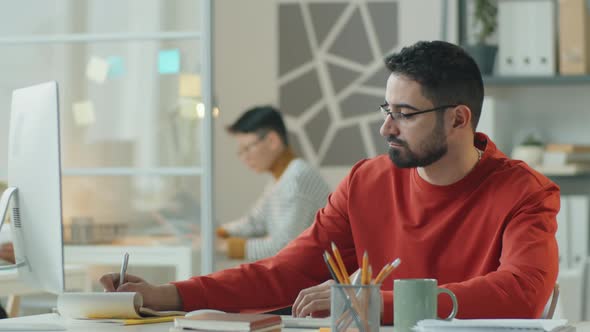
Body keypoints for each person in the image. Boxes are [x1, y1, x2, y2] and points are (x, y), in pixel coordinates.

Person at [100, 41, 559, 323]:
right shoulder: (366, 183)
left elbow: (520, 293)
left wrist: (379, 303)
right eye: (387, 111)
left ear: (459, 119)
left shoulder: (525, 192)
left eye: (405, 115)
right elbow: (284, 272)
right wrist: (168, 294)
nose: (387, 129)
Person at [216, 106, 331, 260]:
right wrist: (220, 232)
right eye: (241, 151)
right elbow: (255, 221)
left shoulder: (296, 179)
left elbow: (284, 247)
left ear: (272, 141)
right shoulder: (281, 177)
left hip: (319, 278)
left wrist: (221, 246)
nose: (244, 157)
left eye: (247, 148)